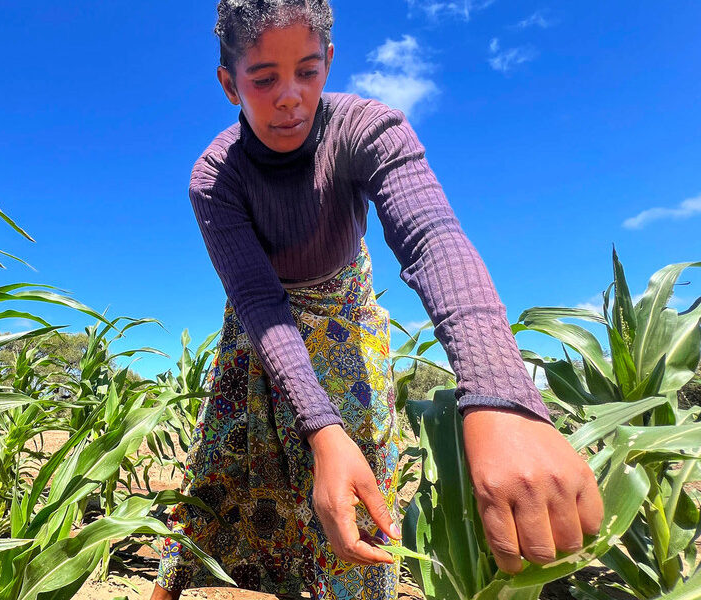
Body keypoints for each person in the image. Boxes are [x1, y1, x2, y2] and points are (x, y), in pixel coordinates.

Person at [151, 2, 604, 599]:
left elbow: (432, 239)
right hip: (261, 327)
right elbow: (260, 302)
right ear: (229, 83)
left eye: (308, 71)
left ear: (330, 62)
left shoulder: (367, 129)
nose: (289, 96)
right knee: (219, 468)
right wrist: (321, 429)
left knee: (360, 497)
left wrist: (503, 395)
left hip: (345, 315)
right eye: (263, 79)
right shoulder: (216, 177)